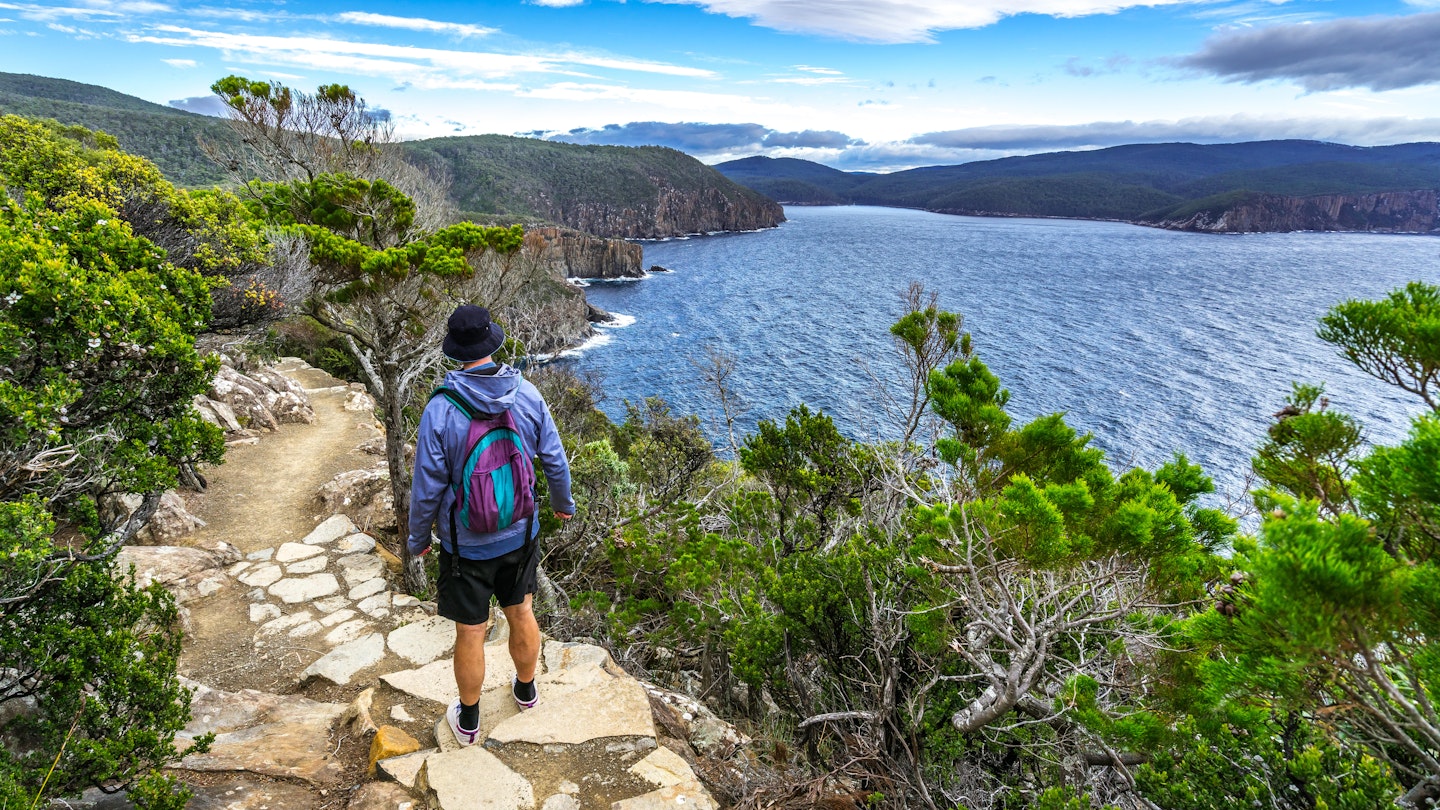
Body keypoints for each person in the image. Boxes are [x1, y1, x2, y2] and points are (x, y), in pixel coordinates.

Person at [407, 304, 575, 747]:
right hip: (521, 531)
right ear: (492, 341)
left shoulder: (441, 409)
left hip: (466, 544)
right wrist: (563, 505)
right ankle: (525, 691)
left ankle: (468, 721)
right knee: (521, 610)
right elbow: (554, 459)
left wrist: (418, 538)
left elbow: (426, 485)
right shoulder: (527, 393)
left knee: (471, 630)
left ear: (455, 350)